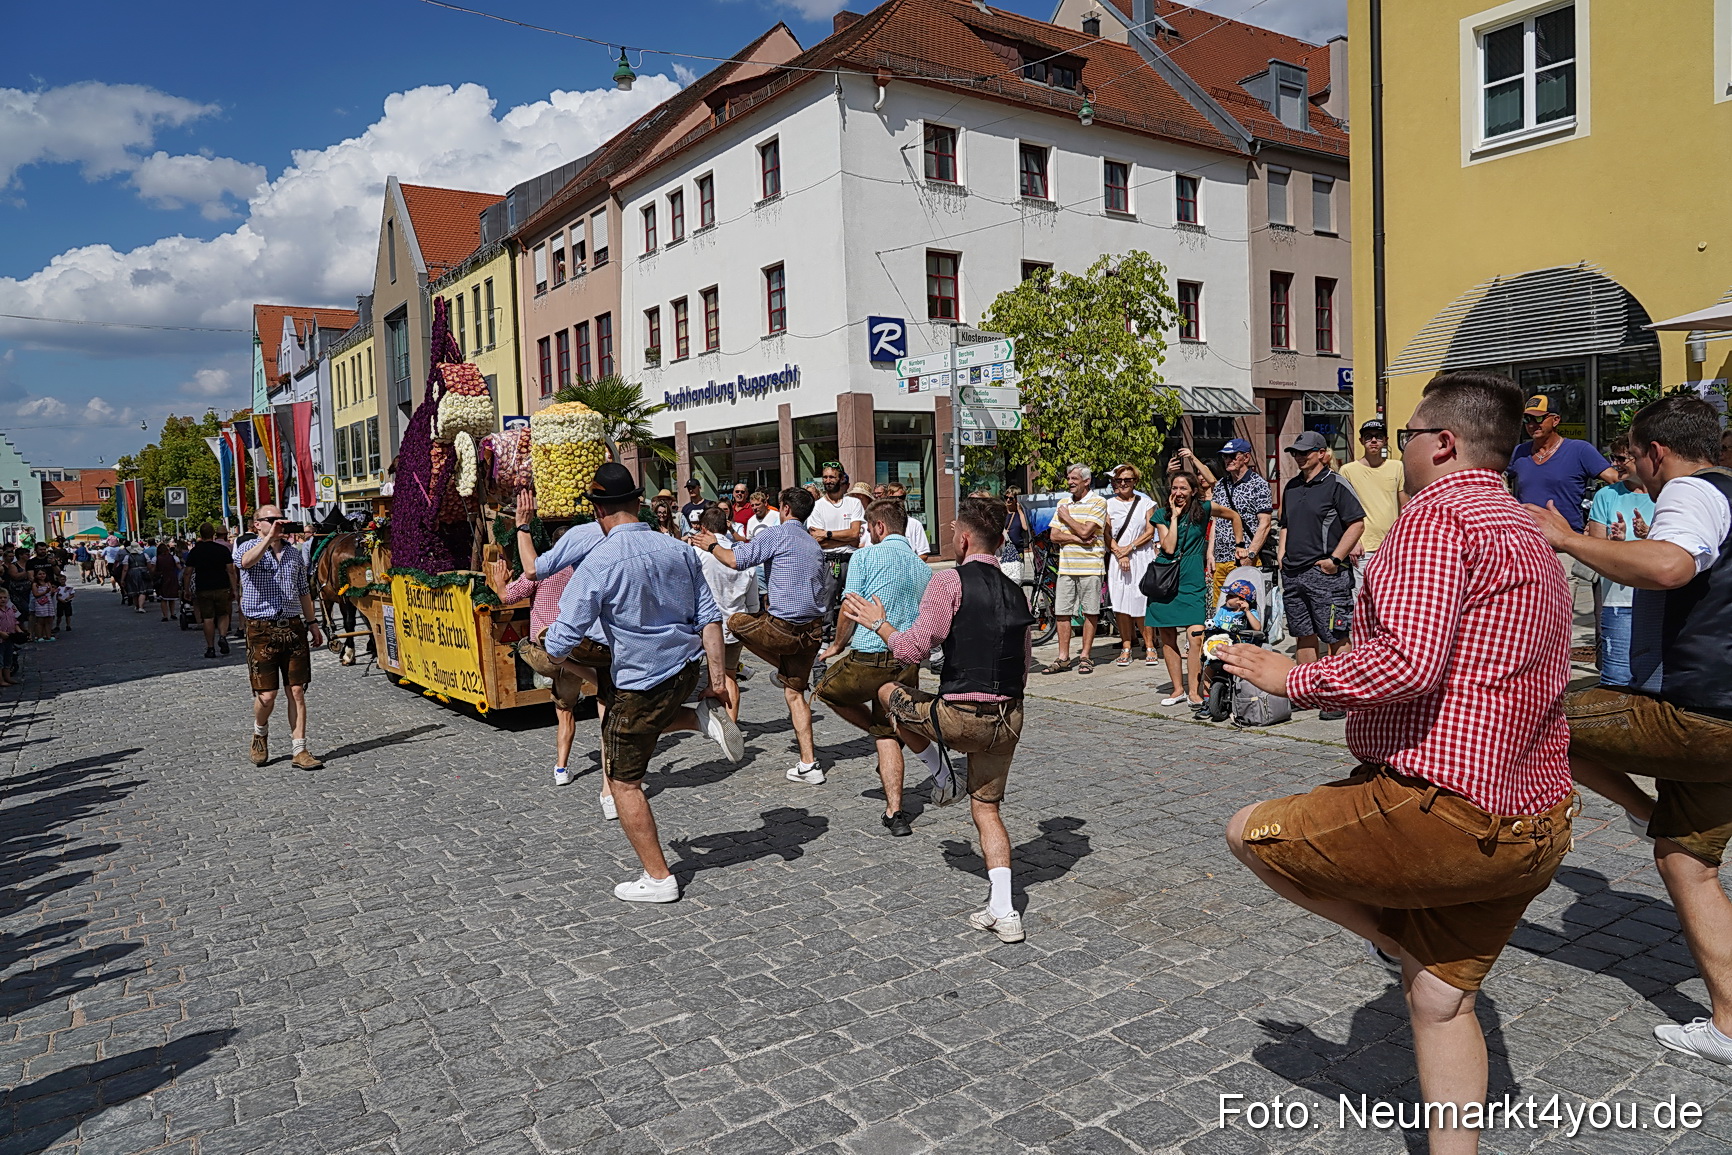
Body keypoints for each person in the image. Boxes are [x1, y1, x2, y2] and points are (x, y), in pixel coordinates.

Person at [1223, 370, 1575, 1155]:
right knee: (1440, 999)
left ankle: (1390, 931)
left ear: (1442, 441)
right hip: (1539, 823)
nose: (1397, 444)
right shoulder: (1527, 531)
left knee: (1247, 831)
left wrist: (1296, 676)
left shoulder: (1436, 518)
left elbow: (1410, 661)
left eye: (1409, 432)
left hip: (1445, 809)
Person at [1527, 394, 1732, 1066]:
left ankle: (1429, 909)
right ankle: (1730, 1027)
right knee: (1685, 858)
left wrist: (1565, 539)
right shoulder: (1727, 491)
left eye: (1634, 456)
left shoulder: (1690, 490)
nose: (1632, 470)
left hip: (1695, 712)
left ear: (1658, 452)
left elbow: (1672, 567)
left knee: (1534, 712)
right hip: (1722, 721)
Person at [840, 496, 1035, 942]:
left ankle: (939, 769)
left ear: (964, 539)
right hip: (1008, 718)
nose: (950, 539)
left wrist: (878, 623)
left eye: (952, 533)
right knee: (987, 810)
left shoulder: (949, 583)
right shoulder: (1014, 590)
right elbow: (1023, 666)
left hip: (959, 716)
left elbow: (912, 651)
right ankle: (1004, 911)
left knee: (887, 691)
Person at [545, 464, 740, 904]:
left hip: (640, 681)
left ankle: (658, 877)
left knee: (623, 781)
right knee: (647, 721)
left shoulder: (598, 562)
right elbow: (710, 618)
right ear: (638, 502)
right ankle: (699, 717)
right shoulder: (678, 548)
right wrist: (715, 683)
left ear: (598, 512)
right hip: (685, 669)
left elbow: (562, 637)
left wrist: (552, 659)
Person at [694, 487, 828, 782]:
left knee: (735, 623)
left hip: (784, 629)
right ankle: (809, 764)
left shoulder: (775, 534)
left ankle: (780, 667)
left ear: (785, 509)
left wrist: (711, 545)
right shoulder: (813, 543)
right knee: (795, 694)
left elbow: (734, 560)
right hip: (813, 631)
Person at [814, 498, 931, 836]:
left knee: (824, 690)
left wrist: (836, 646)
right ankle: (895, 812)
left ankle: (878, 730)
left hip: (871, 655)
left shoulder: (865, 556)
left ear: (879, 527)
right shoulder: (922, 567)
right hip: (906, 658)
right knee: (886, 728)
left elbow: (850, 607)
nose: (866, 533)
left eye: (867, 527)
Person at [1278, 430, 1366, 721]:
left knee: (1336, 635)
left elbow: (1356, 524)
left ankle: (1339, 695)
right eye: (1296, 452)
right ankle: (1307, 693)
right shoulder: (1290, 487)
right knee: (1303, 635)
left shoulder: (1336, 485)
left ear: (1321, 454)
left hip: (1325, 575)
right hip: (1293, 573)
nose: (1300, 456)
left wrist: (1335, 559)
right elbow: (1286, 525)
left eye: (1305, 451)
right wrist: (1282, 556)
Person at [235, 505, 326, 770]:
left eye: (280, 519)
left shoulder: (294, 555)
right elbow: (245, 562)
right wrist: (267, 539)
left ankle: (300, 749)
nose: (277, 524)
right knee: (267, 695)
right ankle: (260, 732)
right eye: (270, 520)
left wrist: (313, 624)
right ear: (257, 525)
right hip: (261, 629)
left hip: (293, 626)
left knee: (296, 690)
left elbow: (303, 592)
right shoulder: (247, 546)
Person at [1148, 472, 1244, 710]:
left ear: (1192, 490)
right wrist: (1175, 517)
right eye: (1174, 488)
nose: (1178, 493)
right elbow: (1168, 547)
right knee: (1168, 635)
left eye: (1183, 488)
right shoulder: (1161, 514)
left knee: (1196, 634)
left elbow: (1234, 515)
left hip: (1192, 578)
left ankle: (1194, 689)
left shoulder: (1204, 508)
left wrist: (1240, 544)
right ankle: (1178, 688)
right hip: (1165, 579)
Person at [1584, 436, 1654, 688]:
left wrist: (1647, 535)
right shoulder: (1606, 496)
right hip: (1618, 601)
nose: (1615, 465)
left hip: (1656, 598)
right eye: (1613, 459)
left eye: (1621, 459)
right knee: (1617, 679)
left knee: (1653, 680)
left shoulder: (1665, 493)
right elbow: (1595, 550)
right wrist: (1616, 543)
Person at [1508, 394, 1619, 533]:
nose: (1531, 424)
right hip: (1528, 539)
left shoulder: (1580, 450)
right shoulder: (1519, 452)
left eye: (1538, 418)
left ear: (1555, 420)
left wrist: (1599, 519)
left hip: (1567, 543)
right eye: (1527, 419)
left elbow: (1616, 480)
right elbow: (1497, 480)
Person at [692, 506, 760, 722]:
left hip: (703, 626)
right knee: (729, 675)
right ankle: (731, 723)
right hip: (734, 624)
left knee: (700, 673)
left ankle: (706, 721)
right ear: (726, 526)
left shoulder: (696, 554)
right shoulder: (742, 555)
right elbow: (753, 604)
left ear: (703, 529)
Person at [1041, 464, 1106, 675]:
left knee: (1090, 611)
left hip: (1091, 566)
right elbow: (1054, 536)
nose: (1070, 482)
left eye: (1075, 478)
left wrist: (1067, 519)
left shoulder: (1098, 502)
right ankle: (1063, 657)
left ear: (1086, 481)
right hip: (1067, 566)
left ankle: (1085, 656)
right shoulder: (1063, 502)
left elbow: (1089, 530)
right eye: (1069, 478)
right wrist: (1078, 538)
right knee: (1062, 611)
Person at [1205, 438, 1274, 606]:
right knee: (1219, 610)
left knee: (1243, 607)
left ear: (1246, 457)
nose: (1228, 460)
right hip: (1221, 559)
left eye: (1233, 456)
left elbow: (1265, 523)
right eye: (1225, 457)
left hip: (1243, 558)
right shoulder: (1222, 485)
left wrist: (1251, 554)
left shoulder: (1258, 484)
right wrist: (1210, 553)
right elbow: (1216, 521)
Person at [1103, 465, 1158, 667]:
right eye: (1119, 480)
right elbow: (1106, 533)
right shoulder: (1108, 505)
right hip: (1118, 559)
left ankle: (1149, 644)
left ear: (1135, 481)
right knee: (1120, 602)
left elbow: (1150, 531)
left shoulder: (1146, 503)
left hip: (1141, 556)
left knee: (1141, 600)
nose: (1123, 483)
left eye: (1127, 479)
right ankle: (1126, 645)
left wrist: (1129, 548)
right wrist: (1119, 552)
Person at [1338, 419, 1405, 564]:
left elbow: (1405, 507)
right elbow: (1342, 510)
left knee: (1390, 587)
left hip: (1392, 544)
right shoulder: (1348, 471)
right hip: (1363, 547)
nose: (1373, 440)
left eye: (1378, 436)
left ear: (1386, 440)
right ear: (1361, 440)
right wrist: (1352, 542)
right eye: (1368, 436)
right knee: (1362, 587)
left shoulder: (1397, 467)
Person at [807, 462, 865, 625]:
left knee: (856, 600)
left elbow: (855, 535)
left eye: (832, 476)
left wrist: (828, 534)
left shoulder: (854, 503)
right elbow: (817, 542)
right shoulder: (816, 507)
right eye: (825, 477)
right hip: (828, 561)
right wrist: (846, 538)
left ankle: (856, 637)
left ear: (841, 478)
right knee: (827, 601)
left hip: (852, 560)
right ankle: (824, 639)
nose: (827, 480)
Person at [186, 523, 236, 660]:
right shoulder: (222, 550)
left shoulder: (195, 551)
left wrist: (186, 590)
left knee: (208, 618)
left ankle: (210, 648)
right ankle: (223, 636)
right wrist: (234, 588)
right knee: (223, 614)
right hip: (222, 586)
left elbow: (188, 572)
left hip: (203, 587)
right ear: (213, 534)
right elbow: (230, 571)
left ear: (200, 534)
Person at [883, 482, 933, 558]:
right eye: (892, 498)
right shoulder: (880, 523)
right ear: (886, 498)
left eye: (901, 498)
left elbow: (923, 554)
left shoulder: (914, 524)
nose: (897, 501)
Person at [1000, 487, 1030, 585]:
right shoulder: (1001, 513)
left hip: (1017, 551)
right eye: (1006, 497)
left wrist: (1020, 510)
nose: (1008, 500)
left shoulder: (1020, 514)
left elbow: (1025, 527)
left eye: (1011, 498)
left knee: (1016, 580)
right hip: (1002, 552)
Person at [154, 540, 182, 623]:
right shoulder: (173, 557)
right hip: (172, 577)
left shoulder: (156, 558)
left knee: (163, 598)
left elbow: (153, 569)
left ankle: (165, 615)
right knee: (172, 597)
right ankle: (172, 614)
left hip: (162, 578)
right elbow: (179, 567)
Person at [122, 544, 150, 613]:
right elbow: (149, 565)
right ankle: (141, 607)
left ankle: (137, 606)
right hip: (143, 572)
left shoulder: (127, 557)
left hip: (132, 573)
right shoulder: (144, 555)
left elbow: (125, 569)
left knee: (134, 590)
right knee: (142, 590)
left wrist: (122, 579)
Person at [28, 570, 54, 641]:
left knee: (49, 620)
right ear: (36, 576)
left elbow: (50, 592)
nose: (42, 575)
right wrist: (45, 592)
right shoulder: (35, 584)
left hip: (48, 604)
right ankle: (39, 636)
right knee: (40, 621)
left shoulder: (48, 583)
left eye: (43, 574)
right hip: (40, 604)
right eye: (40, 574)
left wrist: (52, 591)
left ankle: (48, 635)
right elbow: (35, 594)